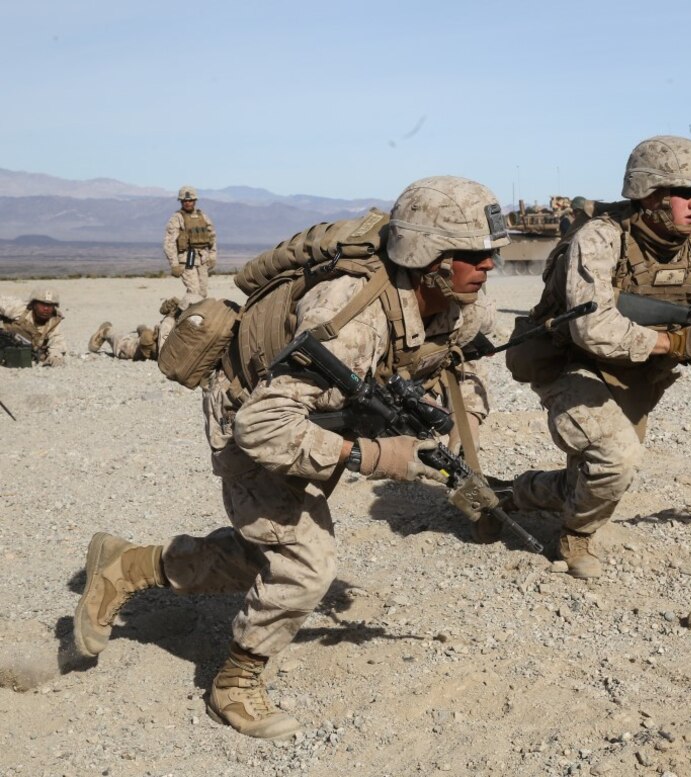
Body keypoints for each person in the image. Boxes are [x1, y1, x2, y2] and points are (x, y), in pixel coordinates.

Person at [73, 176, 506, 740]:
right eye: (474, 255)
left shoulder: (455, 298)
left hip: (317, 414)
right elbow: (263, 427)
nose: (490, 265)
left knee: (266, 553)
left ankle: (127, 567)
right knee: (306, 561)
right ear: (430, 259)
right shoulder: (350, 318)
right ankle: (235, 682)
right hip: (248, 412)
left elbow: (463, 359)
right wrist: (379, 456)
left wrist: (456, 427)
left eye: (491, 252)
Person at [499, 136, 691, 579]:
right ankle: (575, 534)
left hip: (636, 377)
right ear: (649, 193)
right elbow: (593, 327)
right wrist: (674, 344)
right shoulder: (601, 237)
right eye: (683, 191)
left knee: (592, 477)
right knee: (615, 457)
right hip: (573, 364)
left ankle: (513, 495)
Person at [86, 296, 190, 361]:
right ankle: (106, 331)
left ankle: (142, 330)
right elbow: (164, 354)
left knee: (145, 336)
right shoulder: (169, 323)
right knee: (124, 346)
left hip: (153, 342)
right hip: (144, 348)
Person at [163, 185, 217, 299]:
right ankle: (180, 314)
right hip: (187, 258)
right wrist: (174, 264)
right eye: (184, 201)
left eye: (190, 200)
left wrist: (212, 256)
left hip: (202, 258)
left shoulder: (202, 216)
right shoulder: (177, 218)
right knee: (194, 291)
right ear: (181, 201)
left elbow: (212, 236)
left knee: (202, 293)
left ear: (195, 201)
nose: (187, 203)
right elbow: (169, 243)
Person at [0, 287, 67, 366]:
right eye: (42, 304)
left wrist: (55, 356)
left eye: (50, 306)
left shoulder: (53, 321)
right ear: (34, 304)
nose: (46, 309)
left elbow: (57, 341)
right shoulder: (20, 308)